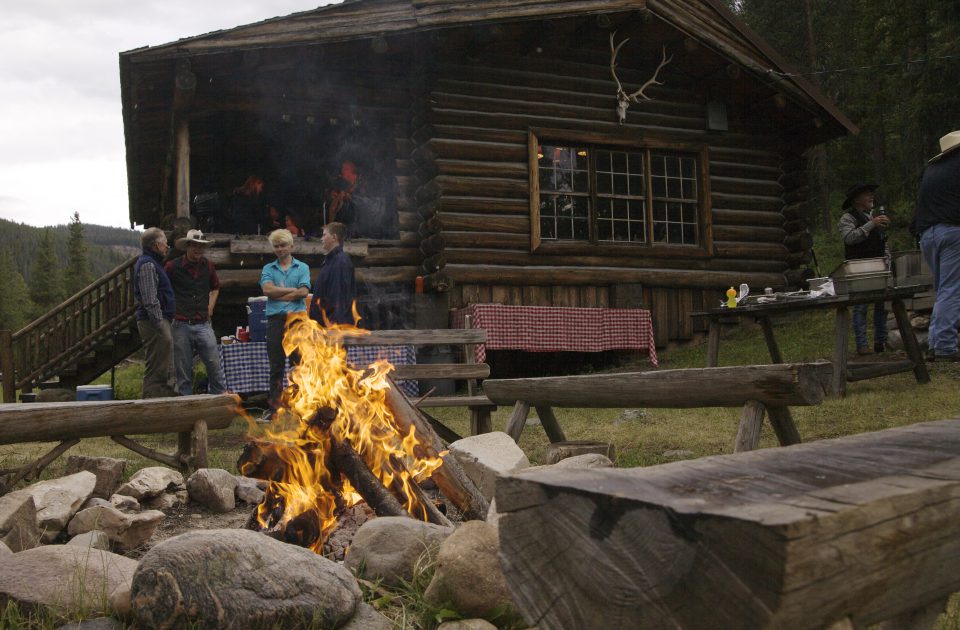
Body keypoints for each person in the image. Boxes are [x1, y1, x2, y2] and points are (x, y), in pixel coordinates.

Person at [164, 229, 227, 395]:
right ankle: (187, 404)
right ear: (187, 246)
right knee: (183, 369)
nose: (198, 250)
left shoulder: (208, 266)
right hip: (180, 323)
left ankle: (218, 401)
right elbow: (163, 289)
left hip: (203, 323)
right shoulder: (172, 266)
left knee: (214, 364)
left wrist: (210, 306)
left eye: (201, 247)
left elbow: (215, 287)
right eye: (195, 246)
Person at [915, 130, 960, 362]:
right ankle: (945, 346)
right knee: (953, 289)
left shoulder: (933, 170)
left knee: (943, 289)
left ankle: (934, 343)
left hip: (928, 234)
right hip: (953, 231)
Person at [259, 229, 311, 422]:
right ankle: (274, 408)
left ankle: (300, 407)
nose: (280, 249)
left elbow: (304, 292)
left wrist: (278, 294)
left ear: (291, 246)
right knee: (276, 365)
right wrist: (291, 291)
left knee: (298, 364)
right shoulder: (268, 269)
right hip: (275, 321)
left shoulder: (302, 267)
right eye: (276, 246)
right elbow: (267, 290)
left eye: (283, 245)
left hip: (297, 320)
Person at [837, 182, 890, 355]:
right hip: (858, 267)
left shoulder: (872, 217)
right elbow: (849, 238)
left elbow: (882, 243)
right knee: (860, 307)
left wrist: (887, 260)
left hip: (878, 265)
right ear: (856, 199)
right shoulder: (848, 218)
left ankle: (880, 342)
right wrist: (871, 225)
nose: (871, 196)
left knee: (881, 304)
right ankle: (862, 345)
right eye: (867, 194)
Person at [133, 227, 176, 398]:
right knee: (157, 366)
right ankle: (151, 402)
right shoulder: (147, 265)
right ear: (157, 245)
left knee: (164, 364)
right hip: (154, 322)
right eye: (165, 243)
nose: (167, 247)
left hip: (160, 320)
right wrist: (159, 323)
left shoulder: (154, 263)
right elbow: (150, 299)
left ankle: (162, 402)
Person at [309, 222, 356, 326]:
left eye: (324, 235)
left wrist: (334, 323)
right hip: (324, 323)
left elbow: (339, 295)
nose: (321, 239)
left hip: (333, 326)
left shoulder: (341, 261)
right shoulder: (330, 261)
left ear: (334, 237)